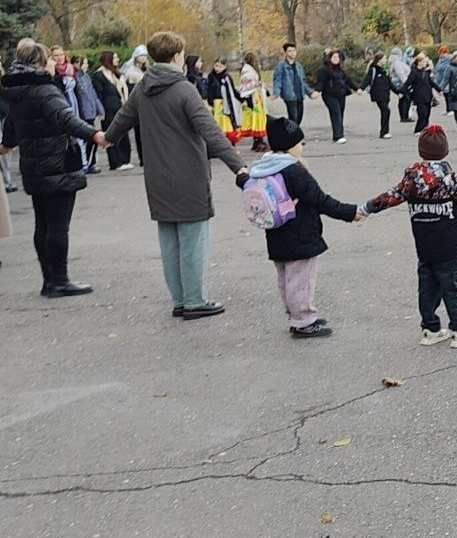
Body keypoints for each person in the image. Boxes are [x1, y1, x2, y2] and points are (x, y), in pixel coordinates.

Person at [103, 31, 247, 320]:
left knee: (169, 241)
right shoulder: (184, 90)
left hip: (157, 178)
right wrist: (238, 166)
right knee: (193, 240)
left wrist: (106, 138)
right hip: (188, 177)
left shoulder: (142, 88)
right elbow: (211, 132)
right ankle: (195, 300)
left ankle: (180, 299)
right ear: (178, 56)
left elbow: (120, 122)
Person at [363, 124, 457, 348]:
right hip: (448, 245)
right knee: (453, 287)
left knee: (427, 287)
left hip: (424, 245)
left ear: (420, 151)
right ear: (445, 151)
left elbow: (390, 196)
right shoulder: (449, 179)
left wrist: (367, 208)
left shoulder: (411, 179)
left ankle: (430, 328)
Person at [0, 40, 107, 297]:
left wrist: (6, 145)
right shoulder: (44, 89)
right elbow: (66, 119)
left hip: (33, 166)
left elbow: (12, 129)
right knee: (58, 226)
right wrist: (96, 135)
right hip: (57, 165)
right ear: (39, 61)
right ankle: (60, 280)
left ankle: (49, 280)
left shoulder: (18, 90)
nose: (54, 63)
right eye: (50, 59)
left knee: (43, 224)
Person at [238, 117, 360, 339]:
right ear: (290, 144)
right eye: (299, 142)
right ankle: (304, 321)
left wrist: (241, 177)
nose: (302, 146)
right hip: (301, 233)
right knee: (301, 279)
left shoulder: (263, 167)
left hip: (276, 233)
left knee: (286, 278)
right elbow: (319, 200)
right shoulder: (293, 171)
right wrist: (351, 213)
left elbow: (246, 183)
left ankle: (296, 316)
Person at [91, 51, 134, 171]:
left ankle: (125, 159)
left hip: (119, 106)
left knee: (123, 133)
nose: (117, 59)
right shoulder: (99, 75)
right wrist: (100, 110)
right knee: (111, 134)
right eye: (115, 58)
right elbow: (98, 94)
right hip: (108, 109)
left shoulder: (116, 73)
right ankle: (115, 162)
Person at [314, 49, 359, 144]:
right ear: (329, 58)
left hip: (341, 94)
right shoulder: (324, 69)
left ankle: (337, 134)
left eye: (338, 57)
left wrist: (357, 89)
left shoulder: (340, 69)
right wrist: (318, 91)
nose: (336, 59)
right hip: (329, 95)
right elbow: (320, 81)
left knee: (340, 114)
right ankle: (339, 136)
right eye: (334, 57)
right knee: (336, 113)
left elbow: (348, 80)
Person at [71, 55, 105, 174]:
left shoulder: (86, 77)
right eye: (84, 63)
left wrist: (100, 109)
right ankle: (85, 163)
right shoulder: (75, 77)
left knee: (93, 139)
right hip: (83, 112)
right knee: (87, 139)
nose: (86, 66)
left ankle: (91, 162)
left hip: (91, 111)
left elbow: (93, 94)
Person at [273, 42, 316, 125]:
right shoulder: (281, 67)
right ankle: (292, 136)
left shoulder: (299, 66)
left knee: (299, 117)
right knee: (294, 117)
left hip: (299, 94)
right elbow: (277, 81)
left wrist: (310, 93)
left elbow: (303, 81)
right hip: (289, 95)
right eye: (289, 51)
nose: (292, 53)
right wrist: (276, 93)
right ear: (286, 53)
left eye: (294, 50)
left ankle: (291, 133)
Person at [207, 58, 243, 145]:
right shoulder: (211, 76)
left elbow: (232, 90)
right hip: (216, 103)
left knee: (227, 122)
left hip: (225, 103)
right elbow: (209, 90)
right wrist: (210, 101)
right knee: (217, 123)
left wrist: (241, 98)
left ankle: (231, 142)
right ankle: (218, 143)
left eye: (220, 66)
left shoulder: (227, 77)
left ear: (224, 67)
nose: (217, 68)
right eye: (216, 66)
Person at [122, 45, 148, 166]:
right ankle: (143, 157)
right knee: (139, 132)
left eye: (145, 56)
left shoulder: (147, 69)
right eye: (141, 55)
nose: (144, 58)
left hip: (148, 102)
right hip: (137, 102)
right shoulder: (130, 71)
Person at [405, 52, 442, 133]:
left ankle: (425, 129)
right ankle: (418, 129)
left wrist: (439, 89)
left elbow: (431, 82)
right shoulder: (414, 72)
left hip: (427, 95)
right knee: (422, 114)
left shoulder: (426, 72)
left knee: (427, 114)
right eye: (424, 62)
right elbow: (407, 83)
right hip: (419, 96)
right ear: (419, 62)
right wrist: (401, 92)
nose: (426, 63)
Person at [239, 52, 269, 152]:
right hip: (253, 97)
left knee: (255, 119)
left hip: (254, 97)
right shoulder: (248, 71)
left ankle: (257, 141)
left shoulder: (246, 70)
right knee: (257, 119)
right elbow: (248, 85)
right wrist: (258, 84)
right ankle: (259, 140)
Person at [361, 51, 394, 139]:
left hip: (386, 94)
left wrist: (398, 92)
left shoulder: (385, 70)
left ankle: (385, 131)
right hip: (378, 94)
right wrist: (361, 88)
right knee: (386, 110)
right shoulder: (374, 70)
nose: (386, 60)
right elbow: (367, 79)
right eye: (384, 58)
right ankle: (384, 132)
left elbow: (390, 83)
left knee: (385, 112)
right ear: (379, 60)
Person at [0, 62, 16, 192]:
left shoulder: (5, 83)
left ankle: (7, 180)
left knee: (5, 150)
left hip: (4, 116)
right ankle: (7, 180)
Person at [389, 47, 413, 123]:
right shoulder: (397, 62)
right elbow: (401, 73)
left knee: (402, 99)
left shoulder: (394, 62)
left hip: (398, 83)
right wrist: (407, 83)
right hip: (401, 83)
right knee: (406, 99)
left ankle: (403, 116)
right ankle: (404, 116)